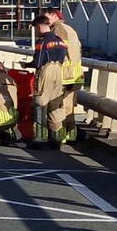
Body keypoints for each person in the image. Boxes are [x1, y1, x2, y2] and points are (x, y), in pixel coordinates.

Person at [42, 7, 83, 142]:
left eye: (46, 16)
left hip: (64, 73)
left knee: (58, 105)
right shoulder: (70, 29)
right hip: (75, 72)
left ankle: (61, 135)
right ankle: (71, 135)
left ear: (54, 16)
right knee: (69, 105)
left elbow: (58, 50)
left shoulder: (57, 29)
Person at [27, 15, 68, 149]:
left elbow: (38, 61)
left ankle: (40, 138)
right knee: (55, 105)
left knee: (40, 103)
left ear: (39, 26)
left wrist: (28, 65)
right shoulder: (59, 40)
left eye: (36, 28)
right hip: (58, 72)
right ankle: (56, 139)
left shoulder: (42, 41)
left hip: (46, 71)